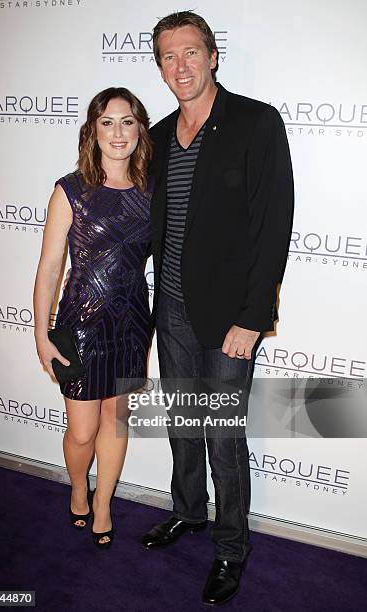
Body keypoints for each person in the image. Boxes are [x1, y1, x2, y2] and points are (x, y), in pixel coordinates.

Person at [141, 11, 294, 605]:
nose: (179, 66)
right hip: (171, 309)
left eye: (189, 53)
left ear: (212, 56)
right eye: (167, 57)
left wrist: (254, 317)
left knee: (224, 437)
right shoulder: (155, 136)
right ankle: (189, 513)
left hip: (232, 318)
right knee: (183, 425)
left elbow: (272, 223)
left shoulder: (255, 123)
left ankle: (232, 548)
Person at [33, 87, 153, 549]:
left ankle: (103, 503)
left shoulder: (150, 190)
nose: (118, 132)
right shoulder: (71, 189)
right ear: (93, 131)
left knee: (114, 422)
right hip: (79, 327)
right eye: (108, 122)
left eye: (127, 121)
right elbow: (49, 268)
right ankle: (79, 486)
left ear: (139, 129)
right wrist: (42, 335)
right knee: (81, 430)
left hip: (131, 326)